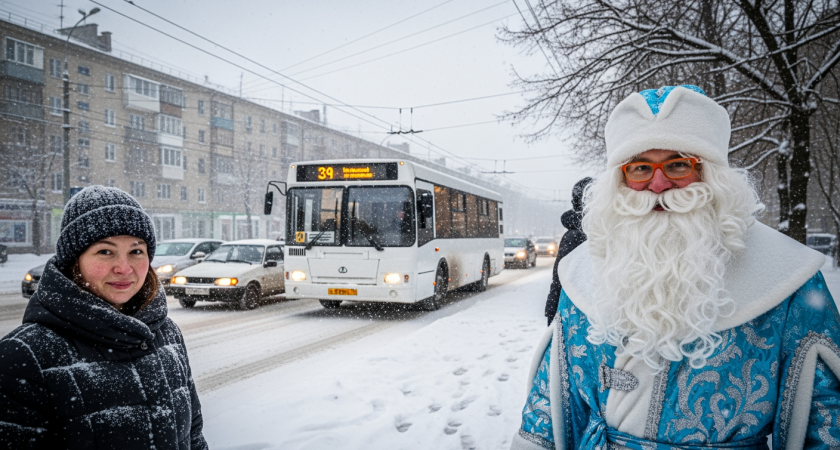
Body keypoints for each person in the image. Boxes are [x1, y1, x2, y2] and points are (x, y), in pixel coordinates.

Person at [512, 85, 840, 449]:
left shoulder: (789, 276)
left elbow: (827, 420)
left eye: (678, 164)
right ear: (620, 180)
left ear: (711, 173)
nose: (658, 184)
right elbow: (549, 408)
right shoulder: (581, 274)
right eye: (639, 168)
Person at [0, 186, 208, 449]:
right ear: (74, 260)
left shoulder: (167, 334)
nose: (124, 268)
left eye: (136, 251)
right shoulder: (24, 355)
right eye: (105, 251)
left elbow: (194, 435)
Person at [545, 177, 592, 326]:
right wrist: (553, 313)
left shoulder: (575, 233)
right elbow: (561, 277)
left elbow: (558, 278)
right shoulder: (581, 234)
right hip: (580, 311)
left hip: (575, 308)